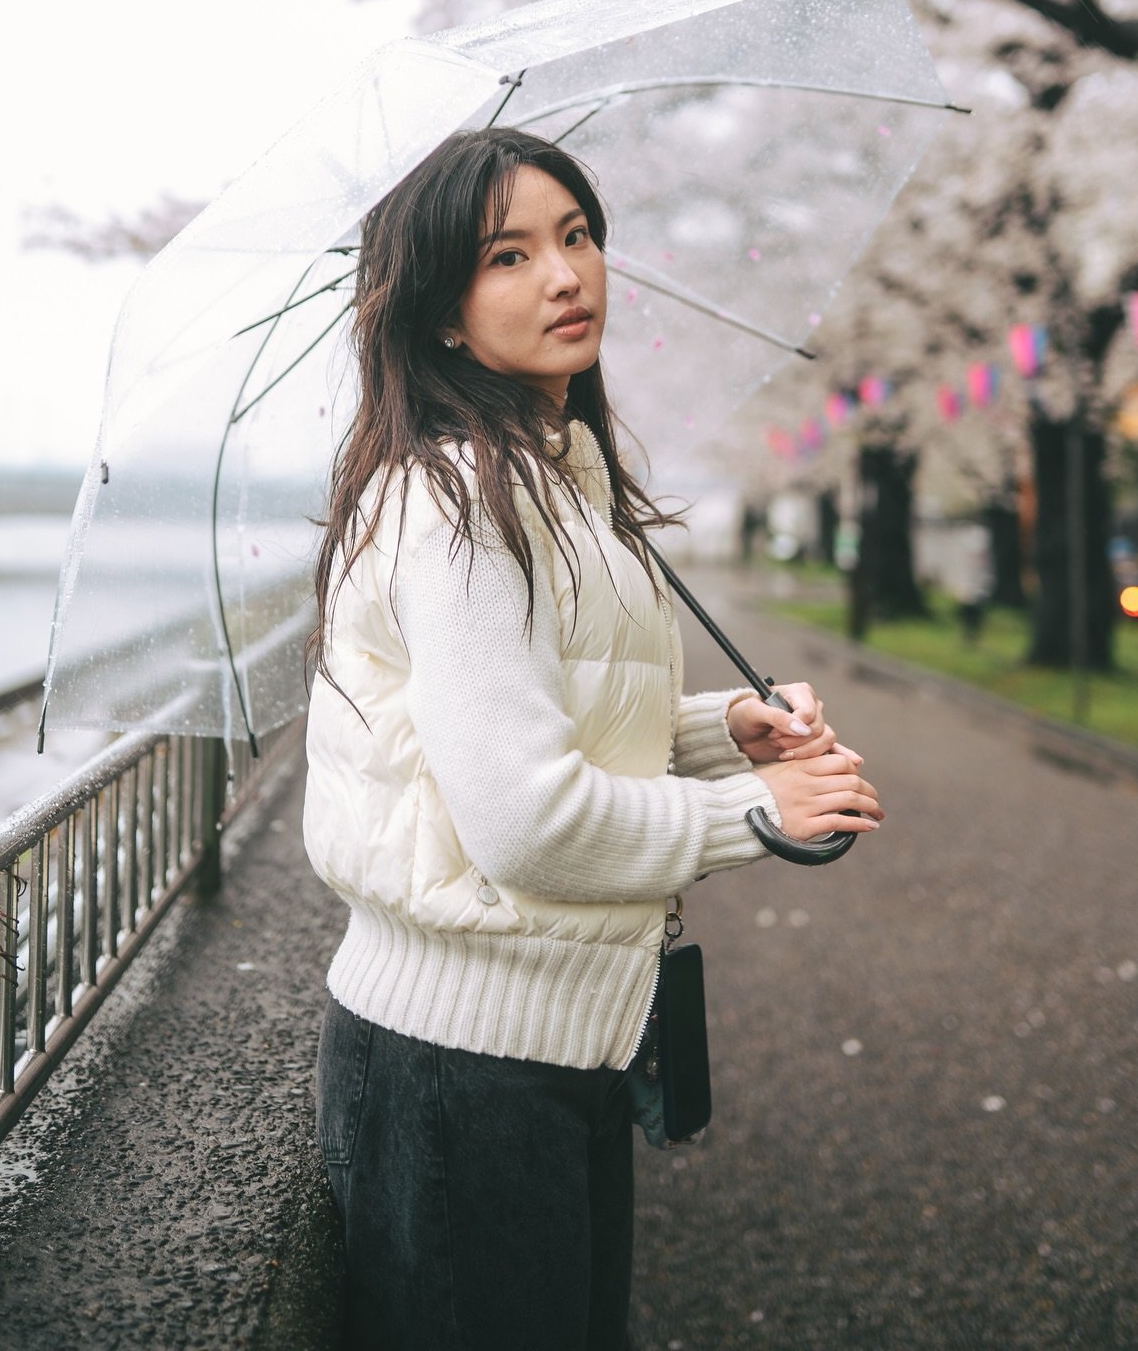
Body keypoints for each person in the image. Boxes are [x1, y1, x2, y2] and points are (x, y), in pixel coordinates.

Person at [303, 127, 885, 1351]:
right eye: (506, 255)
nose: (566, 276)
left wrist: (730, 728)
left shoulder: (555, 482)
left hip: (553, 1041)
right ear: (444, 317)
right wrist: (760, 818)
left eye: (576, 237)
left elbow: (562, 728)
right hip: (459, 1065)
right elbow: (523, 819)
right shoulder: (456, 510)